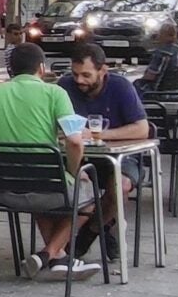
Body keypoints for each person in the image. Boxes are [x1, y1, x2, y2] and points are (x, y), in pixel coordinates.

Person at [0, 42, 97, 279]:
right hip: (48, 184)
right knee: (88, 196)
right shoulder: (56, 93)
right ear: (41, 67)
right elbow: (75, 141)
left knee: (44, 194)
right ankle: (49, 254)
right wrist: (75, 171)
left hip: (4, 190)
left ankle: (58, 259)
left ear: (11, 70)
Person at [56, 42, 147, 263]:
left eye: (86, 75)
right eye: (75, 74)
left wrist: (98, 135)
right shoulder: (65, 86)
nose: (79, 80)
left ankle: (91, 231)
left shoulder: (121, 87)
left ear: (103, 71)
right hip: (79, 156)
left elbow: (142, 128)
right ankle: (71, 239)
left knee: (121, 186)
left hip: (120, 156)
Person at [138, 22, 178, 95]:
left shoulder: (162, 53)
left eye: (159, 33)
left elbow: (150, 76)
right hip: (177, 92)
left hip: (157, 93)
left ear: (163, 35)